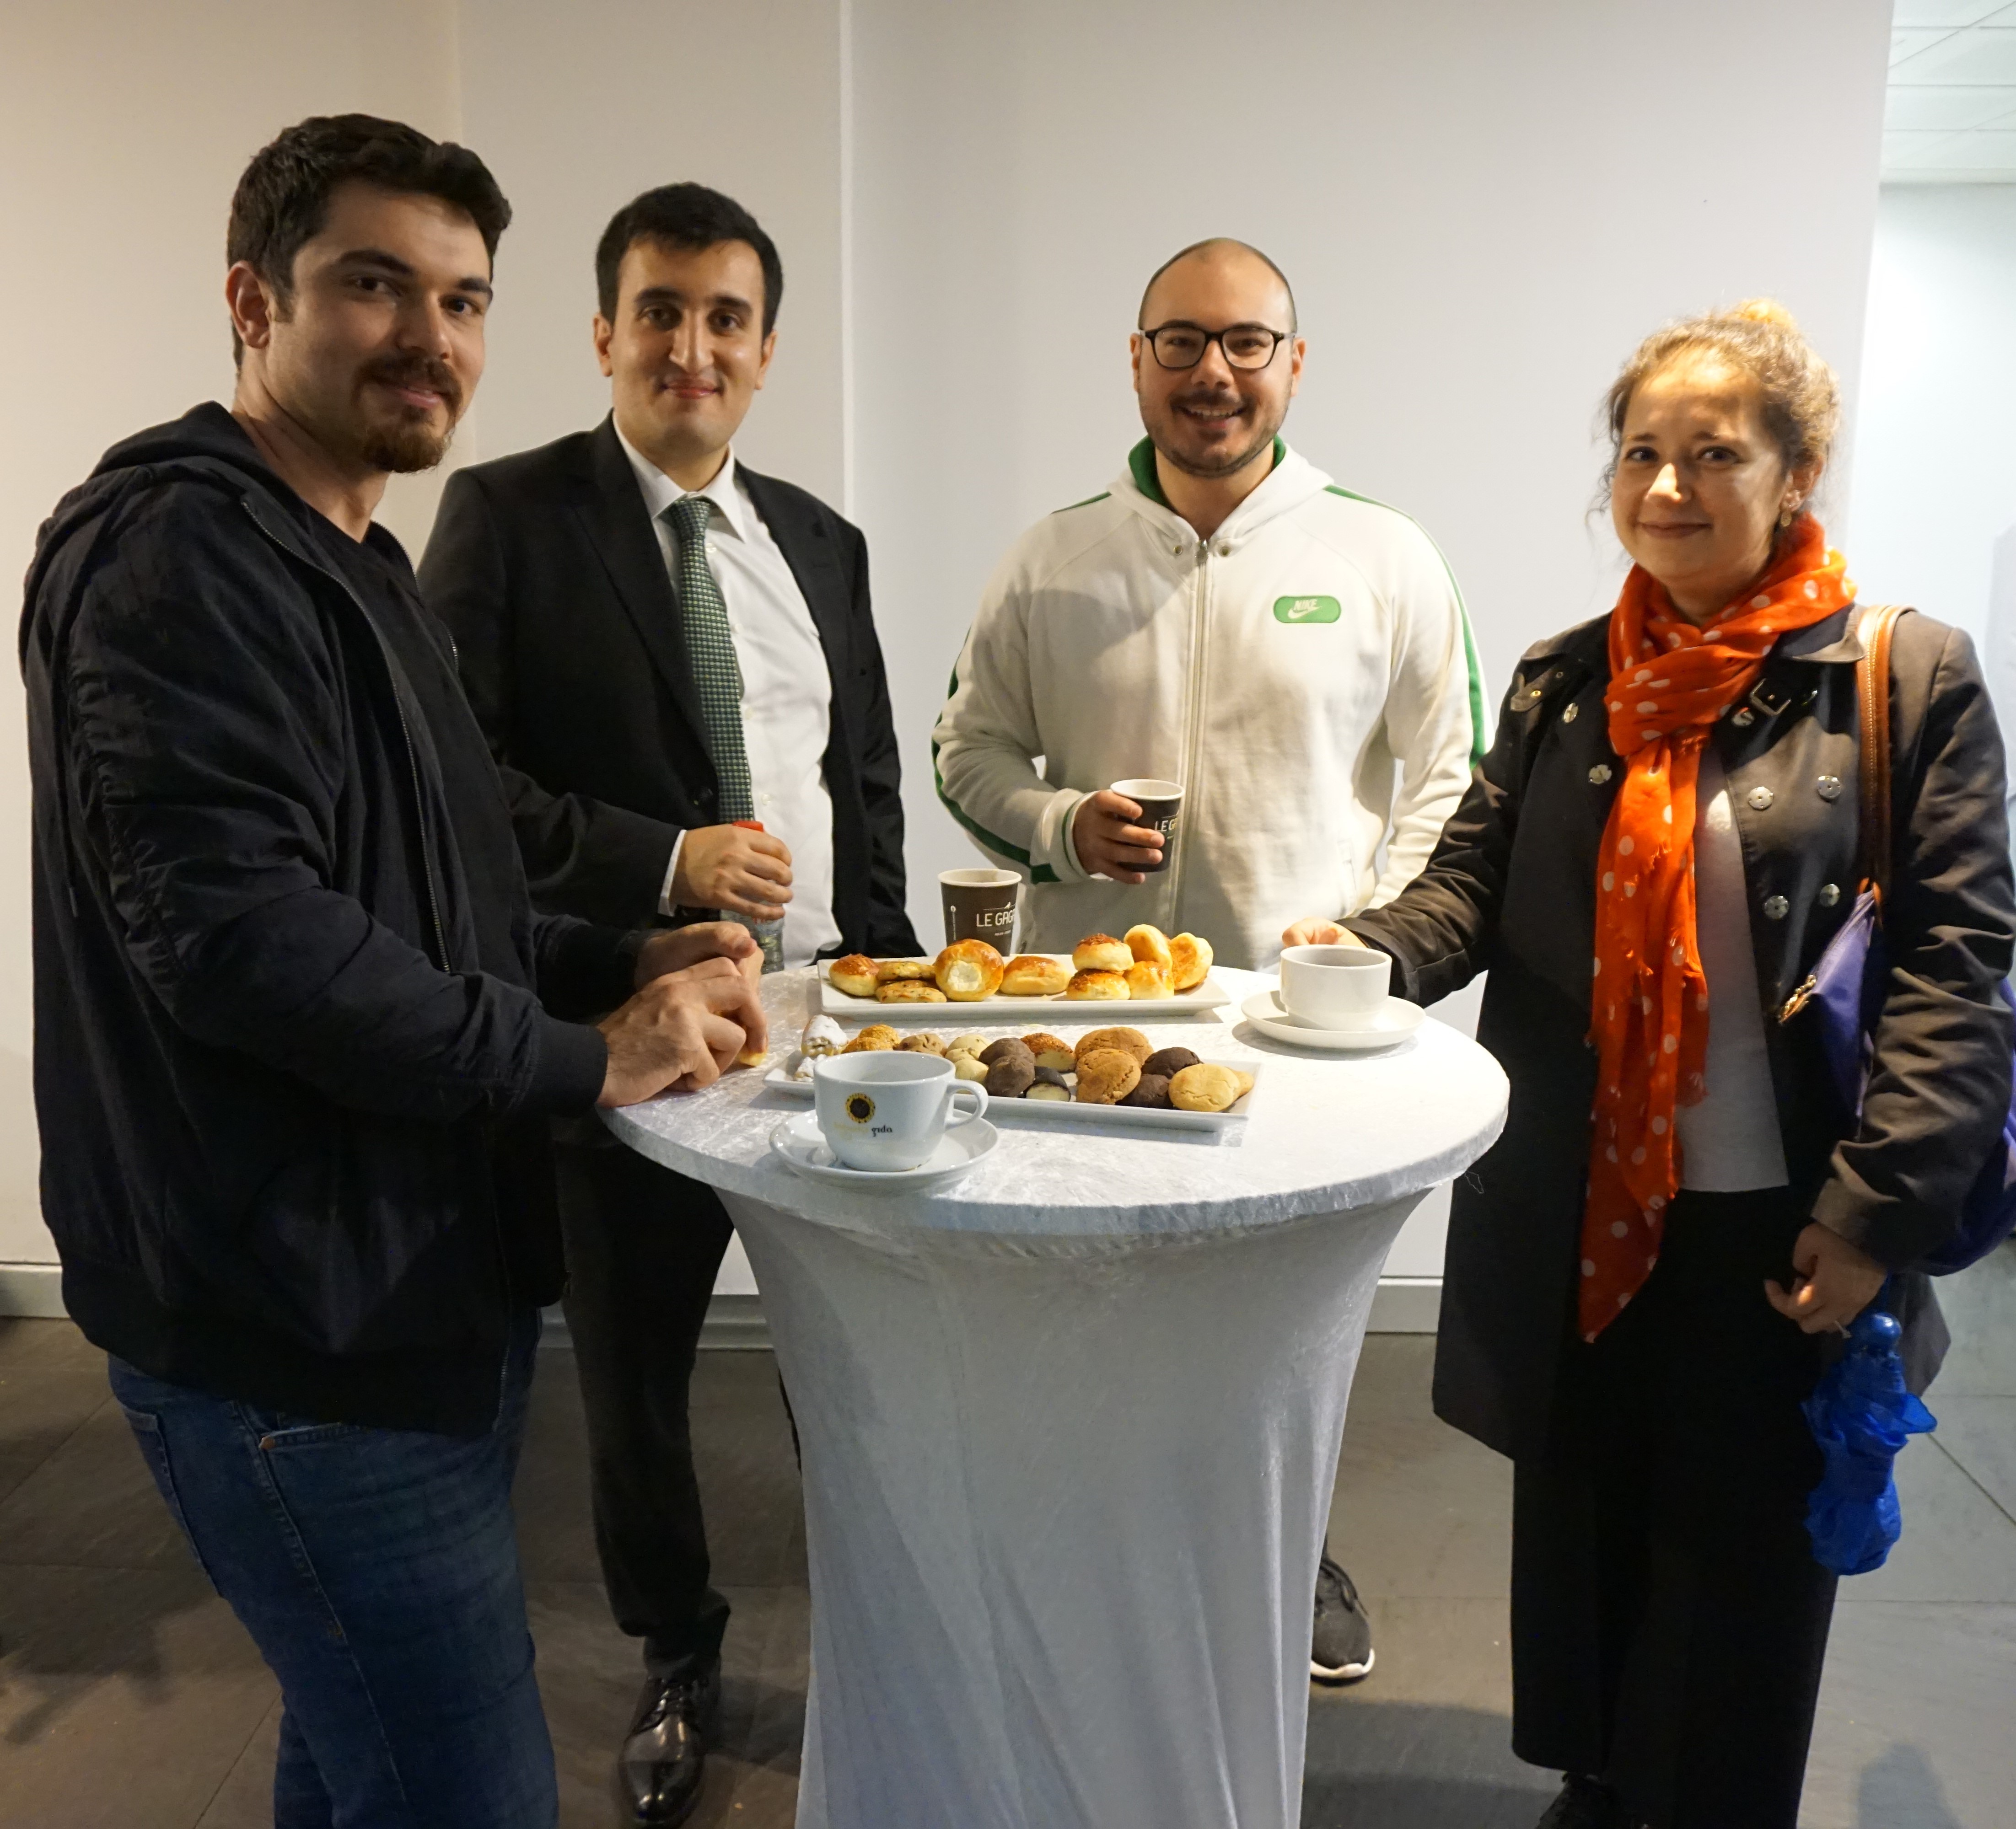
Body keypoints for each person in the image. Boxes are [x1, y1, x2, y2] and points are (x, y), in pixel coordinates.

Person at [19, 116, 766, 1829]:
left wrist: (620, 950)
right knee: (464, 1791)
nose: (431, 336)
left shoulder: (354, 558)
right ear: (252, 303)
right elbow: (247, 947)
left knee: (356, 1750)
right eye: (375, 285)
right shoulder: (181, 553)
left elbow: (442, 894)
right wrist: (591, 1054)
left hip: (406, 1290)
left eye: (463, 298)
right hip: (294, 1337)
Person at [1322, 300, 2014, 1829]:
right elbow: (1471, 886)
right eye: (1641, 453)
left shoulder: (1901, 676)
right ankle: (1603, 1783)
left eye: (1714, 454)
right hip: (1583, 1203)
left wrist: (1874, 1212)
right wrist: (1353, 955)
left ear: (1796, 470)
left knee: (1744, 1556)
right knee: (1590, 1522)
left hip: (1782, 1218)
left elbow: (1956, 968)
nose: (1667, 487)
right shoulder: (1568, 681)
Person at [419, 181, 918, 1823]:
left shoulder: (823, 543)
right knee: (635, 1383)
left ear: (765, 351)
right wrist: (665, 861)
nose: (691, 346)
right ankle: (676, 1650)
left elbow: (861, 778)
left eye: (725, 319)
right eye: (660, 312)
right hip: (639, 1031)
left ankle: (891, 1632)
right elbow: (458, 789)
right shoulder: (507, 515)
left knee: (858, 1366)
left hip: (833, 1032)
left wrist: (896, 974)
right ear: (603, 333)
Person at [931, 236, 1486, 1683]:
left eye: (1247, 343)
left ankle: (1292, 1550)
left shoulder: (1381, 553)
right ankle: (1083, 1554)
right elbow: (966, 747)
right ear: (1136, 362)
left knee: (1281, 1317)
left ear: (1295, 365)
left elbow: (1453, 776)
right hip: (1093, 1029)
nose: (1214, 373)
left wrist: (1373, 935)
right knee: (1085, 1296)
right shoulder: (1052, 557)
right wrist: (1059, 823)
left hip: (1292, 1028)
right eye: (1180, 342)